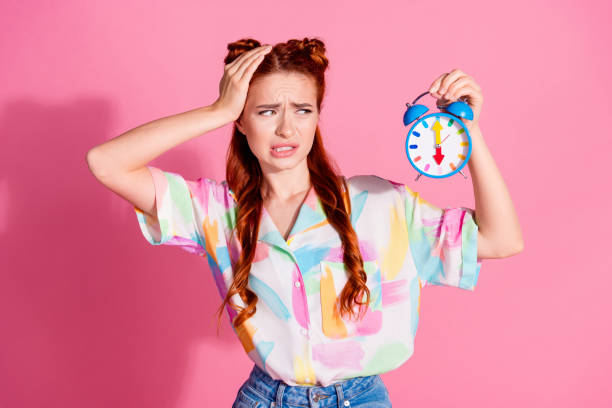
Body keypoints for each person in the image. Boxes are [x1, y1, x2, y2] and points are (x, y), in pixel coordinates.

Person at [86, 37, 523, 408]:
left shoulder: (380, 202)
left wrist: (468, 130)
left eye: (302, 110)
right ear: (242, 121)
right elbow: (106, 163)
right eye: (265, 111)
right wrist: (217, 110)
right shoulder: (217, 212)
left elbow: (501, 239)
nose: (286, 129)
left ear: (317, 116)